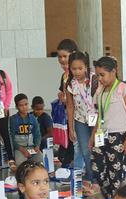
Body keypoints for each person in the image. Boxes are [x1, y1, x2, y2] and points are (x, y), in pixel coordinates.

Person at [90, 56, 126, 199]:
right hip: (101, 134)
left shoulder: (124, 90)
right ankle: (108, 198)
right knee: (97, 169)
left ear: (113, 72)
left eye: (102, 75)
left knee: (115, 173)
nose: (100, 78)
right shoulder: (99, 91)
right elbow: (99, 114)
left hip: (118, 136)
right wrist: (93, 134)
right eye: (98, 75)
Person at [65, 51, 97, 188]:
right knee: (85, 149)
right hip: (80, 120)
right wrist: (71, 127)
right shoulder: (70, 84)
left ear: (86, 67)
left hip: (97, 119)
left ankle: (99, 177)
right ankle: (91, 177)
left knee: (98, 148)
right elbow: (70, 106)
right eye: (74, 69)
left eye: (80, 68)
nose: (77, 72)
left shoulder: (96, 80)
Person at [55, 39, 78, 168]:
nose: (62, 60)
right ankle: (66, 165)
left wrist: (67, 99)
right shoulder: (64, 75)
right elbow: (61, 90)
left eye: (65, 56)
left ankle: (72, 166)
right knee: (68, 141)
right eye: (60, 57)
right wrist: (61, 95)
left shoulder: (78, 75)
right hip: (67, 115)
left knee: (75, 143)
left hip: (78, 115)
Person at [9, 93, 42, 163]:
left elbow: (37, 134)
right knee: (20, 165)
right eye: (21, 105)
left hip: (32, 148)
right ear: (16, 107)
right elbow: (11, 139)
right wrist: (21, 149)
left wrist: (37, 146)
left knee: (42, 162)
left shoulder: (33, 118)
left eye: (26, 104)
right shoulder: (13, 120)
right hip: (19, 149)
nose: (24, 107)